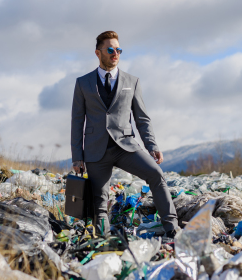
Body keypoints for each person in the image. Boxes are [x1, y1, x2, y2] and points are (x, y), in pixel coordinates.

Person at [70, 30, 179, 238]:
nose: (115, 53)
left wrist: (152, 146)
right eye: (110, 49)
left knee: (156, 175)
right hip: (95, 151)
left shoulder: (132, 81)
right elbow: (77, 121)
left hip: (126, 147)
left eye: (118, 49)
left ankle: (172, 228)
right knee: (100, 203)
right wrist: (77, 156)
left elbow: (142, 119)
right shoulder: (82, 83)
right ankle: (105, 241)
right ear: (98, 53)